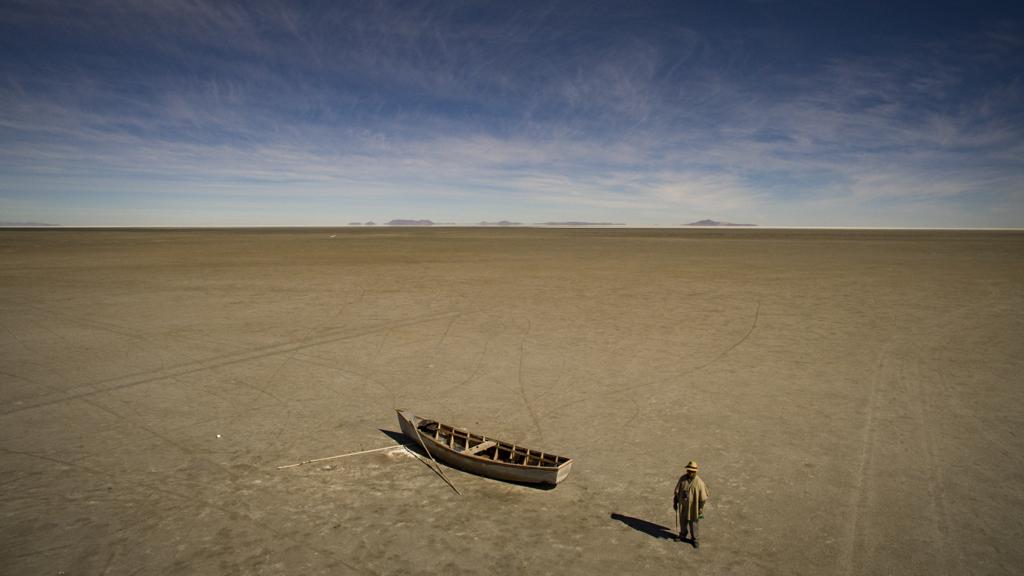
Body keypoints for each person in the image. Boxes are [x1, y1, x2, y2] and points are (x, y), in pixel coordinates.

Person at [673, 460, 709, 548]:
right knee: (682, 521)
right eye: (688, 470)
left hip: (693, 507)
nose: (689, 472)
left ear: (695, 472)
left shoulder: (699, 482)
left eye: (691, 471)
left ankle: (694, 539)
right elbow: (677, 491)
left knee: (693, 523)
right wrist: (675, 501)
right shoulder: (682, 479)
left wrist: (700, 508)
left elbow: (703, 498)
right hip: (683, 505)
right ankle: (682, 534)